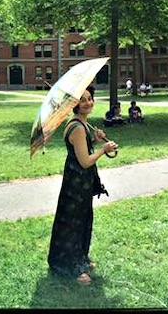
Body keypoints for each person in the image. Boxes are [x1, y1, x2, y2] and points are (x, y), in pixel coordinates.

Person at [49, 85, 118, 286]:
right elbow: (86, 161)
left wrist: (95, 141)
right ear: (75, 104)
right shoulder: (78, 128)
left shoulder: (81, 124)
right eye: (83, 100)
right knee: (73, 224)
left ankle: (80, 258)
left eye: (90, 98)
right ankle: (70, 267)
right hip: (76, 183)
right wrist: (103, 149)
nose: (88, 102)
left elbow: (84, 151)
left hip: (80, 181)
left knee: (82, 221)